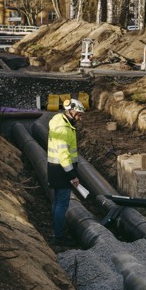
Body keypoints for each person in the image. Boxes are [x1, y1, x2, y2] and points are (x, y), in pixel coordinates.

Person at [48, 98, 85, 247]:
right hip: (61, 171)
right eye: (79, 115)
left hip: (55, 169)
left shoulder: (58, 121)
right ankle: (59, 237)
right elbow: (64, 155)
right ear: (72, 111)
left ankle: (57, 231)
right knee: (62, 204)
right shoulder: (63, 129)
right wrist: (72, 176)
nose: (80, 118)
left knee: (57, 203)